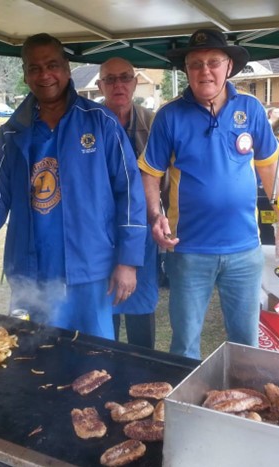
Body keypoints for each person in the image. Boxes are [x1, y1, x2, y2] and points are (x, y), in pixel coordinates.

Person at [0, 33, 147, 340]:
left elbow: (129, 194)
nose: (45, 75)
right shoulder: (12, 131)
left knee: (94, 358)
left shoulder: (100, 123)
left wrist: (128, 260)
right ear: (25, 74)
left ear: (67, 68)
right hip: (33, 273)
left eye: (52, 65)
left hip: (90, 269)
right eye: (34, 68)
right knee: (37, 361)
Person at [138, 28, 279, 359]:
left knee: (246, 343)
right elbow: (150, 172)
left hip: (244, 250)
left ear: (229, 67)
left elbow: (270, 169)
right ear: (187, 70)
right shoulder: (169, 115)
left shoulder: (250, 109)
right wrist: (155, 214)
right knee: (185, 344)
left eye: (213, 62)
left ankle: (242, 410)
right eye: (195, 64)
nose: (204, 70)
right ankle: (185, 410)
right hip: (188, 250)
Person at [97, 57, 157, 348]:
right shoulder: (88, 123)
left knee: (140, 308)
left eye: (125, 77)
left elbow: (166, 175)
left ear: (135, 83)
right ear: (100, 85)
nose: (118, 84)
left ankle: (142, 376)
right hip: (98, 236)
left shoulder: (153, 123)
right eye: (110, 79)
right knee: (103, 314)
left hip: (142, 232)